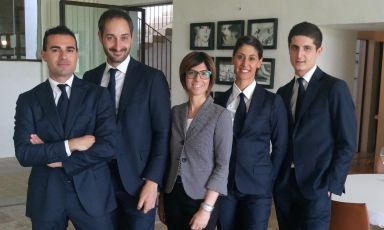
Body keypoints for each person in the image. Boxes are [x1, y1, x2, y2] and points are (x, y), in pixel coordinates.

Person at [13, 25, 116, 229]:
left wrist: (57, 159)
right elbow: (24, 153)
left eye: (70, 49)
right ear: (43, 54)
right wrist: (72, 144)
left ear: (77, 54)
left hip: (92, 193)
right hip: (46, 197)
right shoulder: (28, 100)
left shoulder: (98, 96)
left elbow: (108, 146)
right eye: (55, 49)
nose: (63, 56)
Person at [82, 8, 171, 230]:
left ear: (132, 37)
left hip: (138, 182)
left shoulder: (152, 79)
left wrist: (153, 182)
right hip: (98, 181)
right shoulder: (89, 78)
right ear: (100, 37)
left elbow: (162, 134)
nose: (118, 45)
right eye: (110, 37)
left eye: (124, 37)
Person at [273, 21, 357, 230]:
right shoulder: (282, 93)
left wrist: (332, 184)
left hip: (317, 186)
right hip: (284, 186)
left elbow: (347, 142)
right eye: (294, 47)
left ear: (319, 51)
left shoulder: (334, 88)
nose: (299, 54)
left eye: (307, 48)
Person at [215, 35, 288, 230]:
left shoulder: (273, 102)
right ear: (233, 59)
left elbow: (281, 146)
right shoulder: (218, 101)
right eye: (240, 56)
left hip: (258, 189)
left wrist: (269, 177)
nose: (245, 63)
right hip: (224, 186)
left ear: (259, 62)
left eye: (252, 58)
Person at [161, 52, 233, 230]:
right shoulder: (175, 112)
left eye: (204, 73)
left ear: (210, 77)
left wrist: (206, 208)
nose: (197, 78)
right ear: (184, 76)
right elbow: (169, 159)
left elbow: (222, 165)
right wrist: (162, 198)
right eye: (191, 72)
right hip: (173, 194)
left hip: (201, 197)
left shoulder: (220, 115)